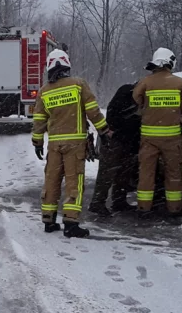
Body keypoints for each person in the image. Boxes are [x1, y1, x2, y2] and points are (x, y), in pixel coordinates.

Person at [32, 49, 111, 238]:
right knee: (74, 182)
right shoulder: (78, 84)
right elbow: (92, 111)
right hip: (74, 144)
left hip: (54, 145)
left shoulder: (44, 91)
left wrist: (37, 142)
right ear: (66, 65)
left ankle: (49, 220)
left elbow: (39, 119)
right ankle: (70, 223)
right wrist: (104, 130)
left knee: (52, 180)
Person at [132, 48, 182, 218]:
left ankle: (144, 208)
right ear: (170, 62)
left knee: (146, 173)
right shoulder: (180, 83)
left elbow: (136, 100)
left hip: (149, 138)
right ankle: (174, 208)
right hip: (172, 138)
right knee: (173, 173)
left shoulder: (145, 82)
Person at [88, 81, 141, 216]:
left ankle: (119, 201)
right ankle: (98, 203)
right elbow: (113, 115)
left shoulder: (137, 96)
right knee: (107, 173)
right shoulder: (126, 92)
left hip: (128, 141)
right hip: (114, 139)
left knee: (123, 173)